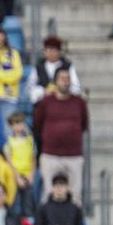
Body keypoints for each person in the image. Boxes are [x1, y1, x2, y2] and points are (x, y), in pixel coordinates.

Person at [33, 68, 90, 201]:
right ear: (56, 81)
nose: (65, 82)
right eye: (62, 79)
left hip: (73, 155)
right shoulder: (46, 102)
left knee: (75, 196)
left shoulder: (79, 102)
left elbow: (84, 124)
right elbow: (37, 124)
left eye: (67, 79)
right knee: (48, 194)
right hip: (50, 154)